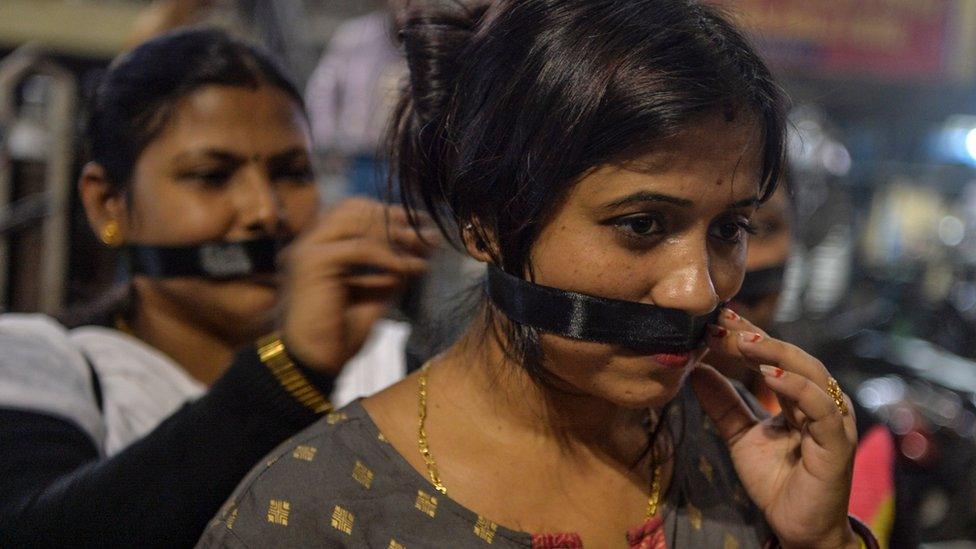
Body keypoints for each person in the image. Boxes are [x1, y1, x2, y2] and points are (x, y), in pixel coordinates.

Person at [199, 1, 878, 547]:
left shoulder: (746, 469)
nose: (699, 289)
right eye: (642, 224)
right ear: (485, 222)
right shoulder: (312, 512)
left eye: (729, 228)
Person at [0, 28, 431, 548]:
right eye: (211, 176)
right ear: (107, 205)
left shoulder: (393, 362)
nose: (265, 212)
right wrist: (290, 371)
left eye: (293, 173)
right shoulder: (44, 363)